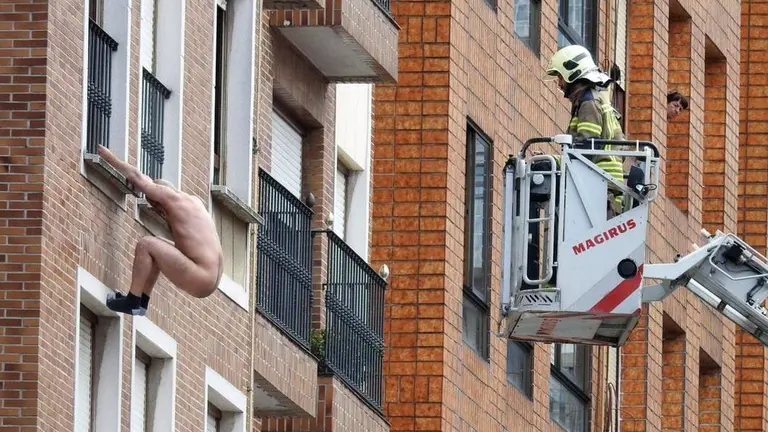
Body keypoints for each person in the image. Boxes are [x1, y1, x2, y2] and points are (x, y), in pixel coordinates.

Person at [97, 145, 224, 315]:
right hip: (211, 276)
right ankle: (142, 302)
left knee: (146, 244)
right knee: (157, 248)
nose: (158, 213)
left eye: (156, 208)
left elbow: (137, 177)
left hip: (200, 275)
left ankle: (132, 301)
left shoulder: (169, 198)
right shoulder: (194, 202)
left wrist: (107, 157)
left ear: (160, 201)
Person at [545, 44, 627, 216]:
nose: (559, 84)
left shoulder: (588, 103)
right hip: (606, 187)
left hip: (600, 187)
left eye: (560, 77)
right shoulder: (597, 100)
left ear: (572, 73)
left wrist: (553, 161)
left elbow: (586, 149)